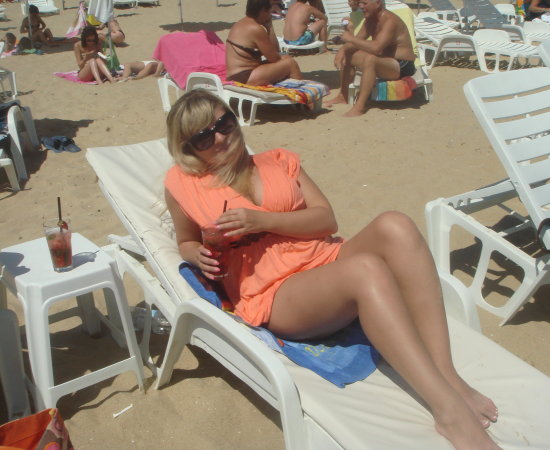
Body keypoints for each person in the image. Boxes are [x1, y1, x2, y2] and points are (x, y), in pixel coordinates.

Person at [164, 89, 501, 450]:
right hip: (277, 291)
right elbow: (186, 241)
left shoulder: (278, 161)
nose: (220, 137)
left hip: (324, 256)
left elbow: (326, 220)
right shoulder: (183, 185)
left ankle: (447, 375)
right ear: (189, 148)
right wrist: (196, 254)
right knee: (365, 269)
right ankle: (449, 412)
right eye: (203, 137)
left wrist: (261, 220)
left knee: (396, 225)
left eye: (224, 123)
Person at [325, 0, 415, 117]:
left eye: (364, 3)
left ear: (377, 3)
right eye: (360, 3)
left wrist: (350, 38)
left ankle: (360, 106)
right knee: (350, 55)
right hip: (385, 60)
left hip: (402, 65)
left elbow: (376, 48)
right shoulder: (370, 20)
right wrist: (342, 51)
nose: (361, 6)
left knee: (371, 59)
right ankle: (343, 96)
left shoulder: (390, 21)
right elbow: (357, 42)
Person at [226, 0, 302, 85]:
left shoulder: (242, 23)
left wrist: (268, 27)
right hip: (244, 77)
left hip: (237, 75)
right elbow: (274, 58)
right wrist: (270, 27)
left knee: (286, 58)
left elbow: (277, 52)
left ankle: (294, 89)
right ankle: (301, 92)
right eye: (270, 11)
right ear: (263, 11)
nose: (270, 14)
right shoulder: (255, 28)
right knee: (290, 64)